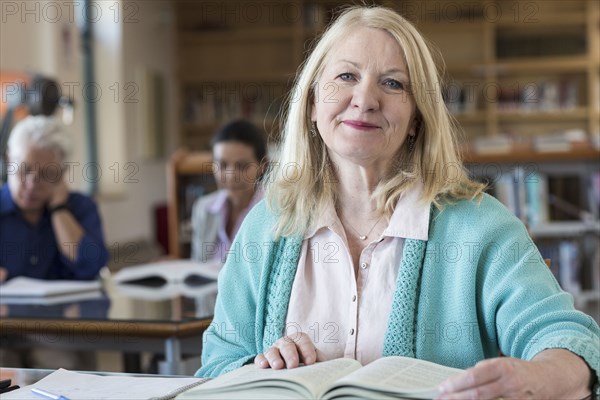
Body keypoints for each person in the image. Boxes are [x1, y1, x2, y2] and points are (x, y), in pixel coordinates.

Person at [196, 6, 598, 399]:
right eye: (346, 76)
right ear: (314, 102)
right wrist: (262, 370)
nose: (365, 98)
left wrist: (538, 378)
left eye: (392, 84)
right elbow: (217, 365)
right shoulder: (265, 226)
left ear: (417, 120)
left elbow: (571, 341)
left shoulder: (482, 227)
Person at [0, 115, 108, 282]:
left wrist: (59, 209)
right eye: (24, 169)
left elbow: (91, 266)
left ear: (62, 173)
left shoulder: (80, 207)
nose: (32, 184)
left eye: (47, 174)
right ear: (8, 161)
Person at [190, 119, 267, 263]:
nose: (231, 176)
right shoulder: (203, 208)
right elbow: (196, 267)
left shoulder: (275, 213)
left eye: (242, 166)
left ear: (262, 166)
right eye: (222, 164)